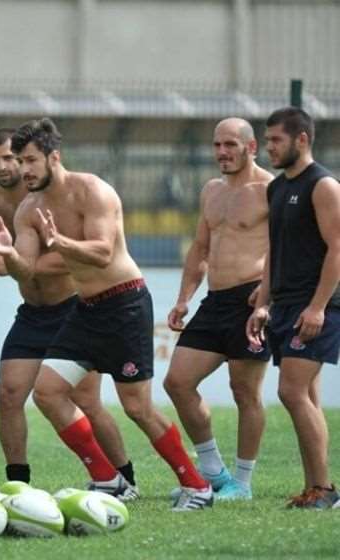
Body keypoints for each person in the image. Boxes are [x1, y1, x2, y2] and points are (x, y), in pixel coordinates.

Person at [0, 118, 212, 511]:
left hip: (125, 304)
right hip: (86, 310)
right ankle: (108, 480)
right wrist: (8, 254)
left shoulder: (93, 191)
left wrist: (59, 241)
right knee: (48, 393)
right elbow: (28, 268)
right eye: (20, 161)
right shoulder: (29, 209)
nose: (24, 169)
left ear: (54, 157)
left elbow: (103, 252)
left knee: (137, 407)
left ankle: (197, 486)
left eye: (31, 160)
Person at [0, 128, 138, 492]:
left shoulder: (48, 195)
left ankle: (124, 477)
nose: (4, 166)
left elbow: (71, 258)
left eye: (12, 158)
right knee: (8, 394)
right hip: (32, 313)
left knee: (86, 400)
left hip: (73, 310)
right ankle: (18, 485)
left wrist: (12, 264)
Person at [163, 118, 273, 501]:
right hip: (214, 301)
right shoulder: (211, 190)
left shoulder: (271, 190)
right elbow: (200, 247)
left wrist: (268, 296)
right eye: (217, 145)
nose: (222, 152)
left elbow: (289, 248)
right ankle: (213, 472)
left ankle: (242, 483)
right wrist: (183, 298)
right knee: (177, 382)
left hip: (251, 301)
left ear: (251, 147)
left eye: (230, 144)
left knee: (244, 391)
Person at [247, 107, 340, 509]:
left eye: (276, 140)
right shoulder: (277, 188)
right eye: (267, 139)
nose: (268, 147)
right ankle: (313, 488)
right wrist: (263, 302)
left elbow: (338, 249)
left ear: (301, 139)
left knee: (292, 391)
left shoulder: (323, 185)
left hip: (316, 307)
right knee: (307, 398)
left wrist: (318, 307)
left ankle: (325, 490)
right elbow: (275, 249)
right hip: (285, 306)